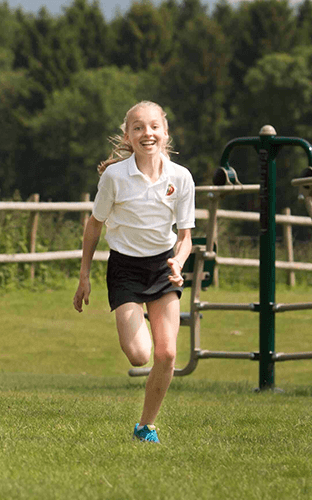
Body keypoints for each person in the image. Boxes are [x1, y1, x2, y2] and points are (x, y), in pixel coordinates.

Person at [72, 101, 194, 443]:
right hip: (125, 268)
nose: (147, 133)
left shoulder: (181, 177)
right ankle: (135, 315)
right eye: (138, 127)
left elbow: (185, 238)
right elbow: (94, 226)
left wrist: (178, 263)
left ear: (165, 133)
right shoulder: (115, 176)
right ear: (128, 135)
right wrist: (84, 275)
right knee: (140, 355)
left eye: (154, 126)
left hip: (163, 269)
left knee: (167, 354)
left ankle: (146, 426)